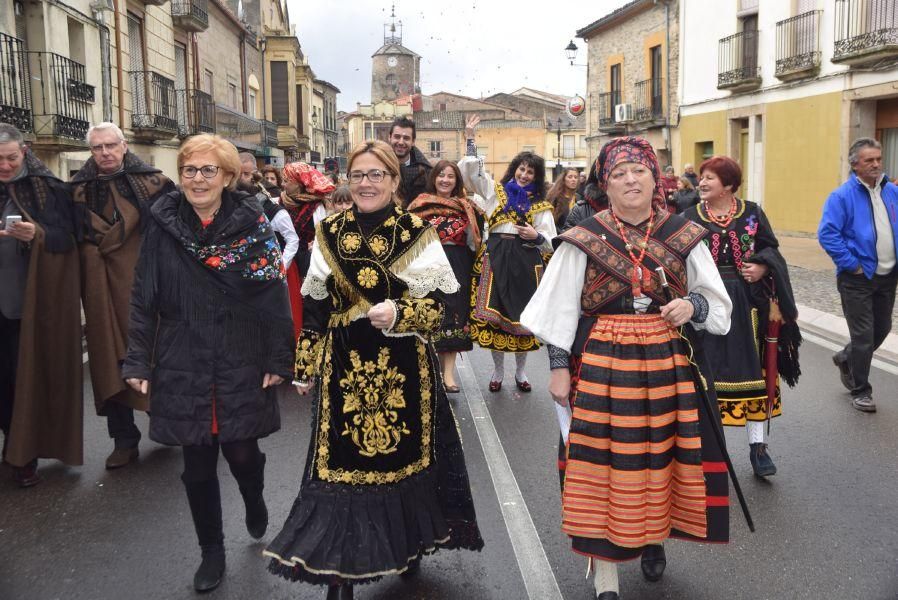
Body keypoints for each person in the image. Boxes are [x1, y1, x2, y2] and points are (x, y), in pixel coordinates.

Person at [264, 140, 483, 600]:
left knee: (402, 463)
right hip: (345, 365)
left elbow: (440, 308)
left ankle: (409, 543)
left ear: (392, 180)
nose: (366, 183)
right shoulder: (329, 233)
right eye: (358, 175)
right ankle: (340, 572)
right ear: (349, 180)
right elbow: (316, 305)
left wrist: (401, 314)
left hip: (405, 367)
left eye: (375, 175)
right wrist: (304, 366)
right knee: (341, 466)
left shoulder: (416, 233)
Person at [521, 136, 732, 600]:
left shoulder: (683, 233)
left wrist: (691, 305)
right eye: (619, 174)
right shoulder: (583, 237)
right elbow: (556, 311)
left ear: (655, 180)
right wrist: (558, 368)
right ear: (606, 185)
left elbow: (718, 307)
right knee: (601, 464)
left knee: (658, 455)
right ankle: (607, 576)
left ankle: (653, 537)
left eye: (639, 171)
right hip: (599, 365)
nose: (630, 180)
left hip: (666, 365)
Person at [122, 134, 294, 592]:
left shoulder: (253, 222)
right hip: (183, 354)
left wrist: (280, 355)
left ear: (228, 176)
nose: (198, 179)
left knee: (240, 453)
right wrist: (137, 359)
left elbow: (273, 291)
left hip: (241, 350)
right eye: (189, 170)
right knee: (196, 463)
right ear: (180, 175)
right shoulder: (161, 222)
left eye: (208, 170)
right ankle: (211, 551)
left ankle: (254, 496)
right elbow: (143, 295)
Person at [684, 156, 801, 477]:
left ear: (729, 185)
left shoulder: (751, 213)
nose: (702, 183)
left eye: (710, 178)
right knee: (704, 374)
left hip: (748, 304)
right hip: (704, 303)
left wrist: (764, 265)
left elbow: (771, 248)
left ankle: (758, 447)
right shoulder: (687, 217)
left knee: (755, 374)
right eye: (702, 177)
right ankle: (703, 448)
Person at [71, 122, 175, 469]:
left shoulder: (155, 184)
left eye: (110, 146)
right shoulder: (74, 192)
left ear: (124, 146)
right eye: (97, 148)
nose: (104, 153)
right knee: (107, 361)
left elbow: (175, 232)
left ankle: (167, 424)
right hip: (99, 291)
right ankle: (124, 440)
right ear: (91, 152)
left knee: (154, 353)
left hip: (144, 289)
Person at [0, 123, 82, 487]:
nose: (3, 165)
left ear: (25, 151)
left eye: (10, 158)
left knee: (23, 383)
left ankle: (22, 456)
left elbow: (70, 239)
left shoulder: (48, 189)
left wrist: (38, 234)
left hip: (26, 306)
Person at [459, 115, 556, 392]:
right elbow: (473, 176)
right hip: (496, 259)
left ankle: (522, 373)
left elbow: (551, 240)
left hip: (526, 263)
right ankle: (499, 371)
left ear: (536, 177)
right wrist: (470, 139)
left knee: (522, 321)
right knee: (498, 320)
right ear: (514, 169)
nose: (524, 175)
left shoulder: (541, 207)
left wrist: (535, 236)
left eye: (530, 172)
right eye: (521, 169)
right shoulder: (496, 192)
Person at [819, 137, 898, 413]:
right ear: (855, 165)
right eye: (869, 160)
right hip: (857, 278)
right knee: (864, 335)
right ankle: (861, 390)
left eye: (878, 158)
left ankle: (846, 357)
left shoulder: (891, 192)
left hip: (888, 275)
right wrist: (852, 264)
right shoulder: (841, 196)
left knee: (882, 328)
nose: (876, 164)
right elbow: (828, 234)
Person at [407, 160, 484, 393]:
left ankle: (448, 375)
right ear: (434, 178)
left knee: (454, 315)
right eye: (441, 175)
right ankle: (430, 372)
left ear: (456, 181)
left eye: (451, 176)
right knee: (430, 314)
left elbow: (474, 242)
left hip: (458, 263)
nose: (445, 180)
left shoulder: (466, 207)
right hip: (428, 265)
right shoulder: (419, 205)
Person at [280, 162, 333, 337]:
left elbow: (322, 236)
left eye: (287, 180)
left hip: (307, 263)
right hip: (285, 262)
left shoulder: (316, 207)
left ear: (299, 183)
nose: (283, 184)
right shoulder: (279, 202)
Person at [389, 116, 432, 207]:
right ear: (390, 138)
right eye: (397, 137)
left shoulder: (426, 172)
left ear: (413, 142)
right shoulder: (378, 166)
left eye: (406, 138)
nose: (401, 142)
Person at [561, 161, 609, 234]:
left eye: (576, 177)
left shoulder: (579, 196)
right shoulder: (580, 208)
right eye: (570, 177)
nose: (573, 179)